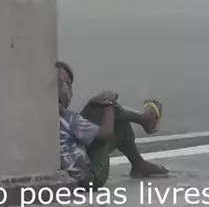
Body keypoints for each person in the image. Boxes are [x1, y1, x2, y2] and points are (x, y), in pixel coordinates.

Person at [56, 60, 170, 188]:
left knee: (113, 120)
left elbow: (78, 127)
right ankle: (146, 120)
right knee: (114, 120)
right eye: (66, 84)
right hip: (92, 178)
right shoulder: (68, 118)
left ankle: (139, 163)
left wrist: (91, 103)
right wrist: (110, 103)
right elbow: (106, 133)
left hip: (74, 173)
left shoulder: (52, 116)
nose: (69, 91)